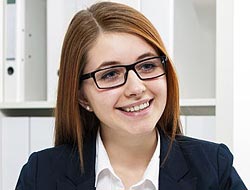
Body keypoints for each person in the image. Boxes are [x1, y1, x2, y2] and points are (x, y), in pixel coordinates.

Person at [16, 2, 247, 190]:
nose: (136, 88)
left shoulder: (214, 168)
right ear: (82, 97)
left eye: (147, 66)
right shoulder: (41, 175)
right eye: (110, 74)